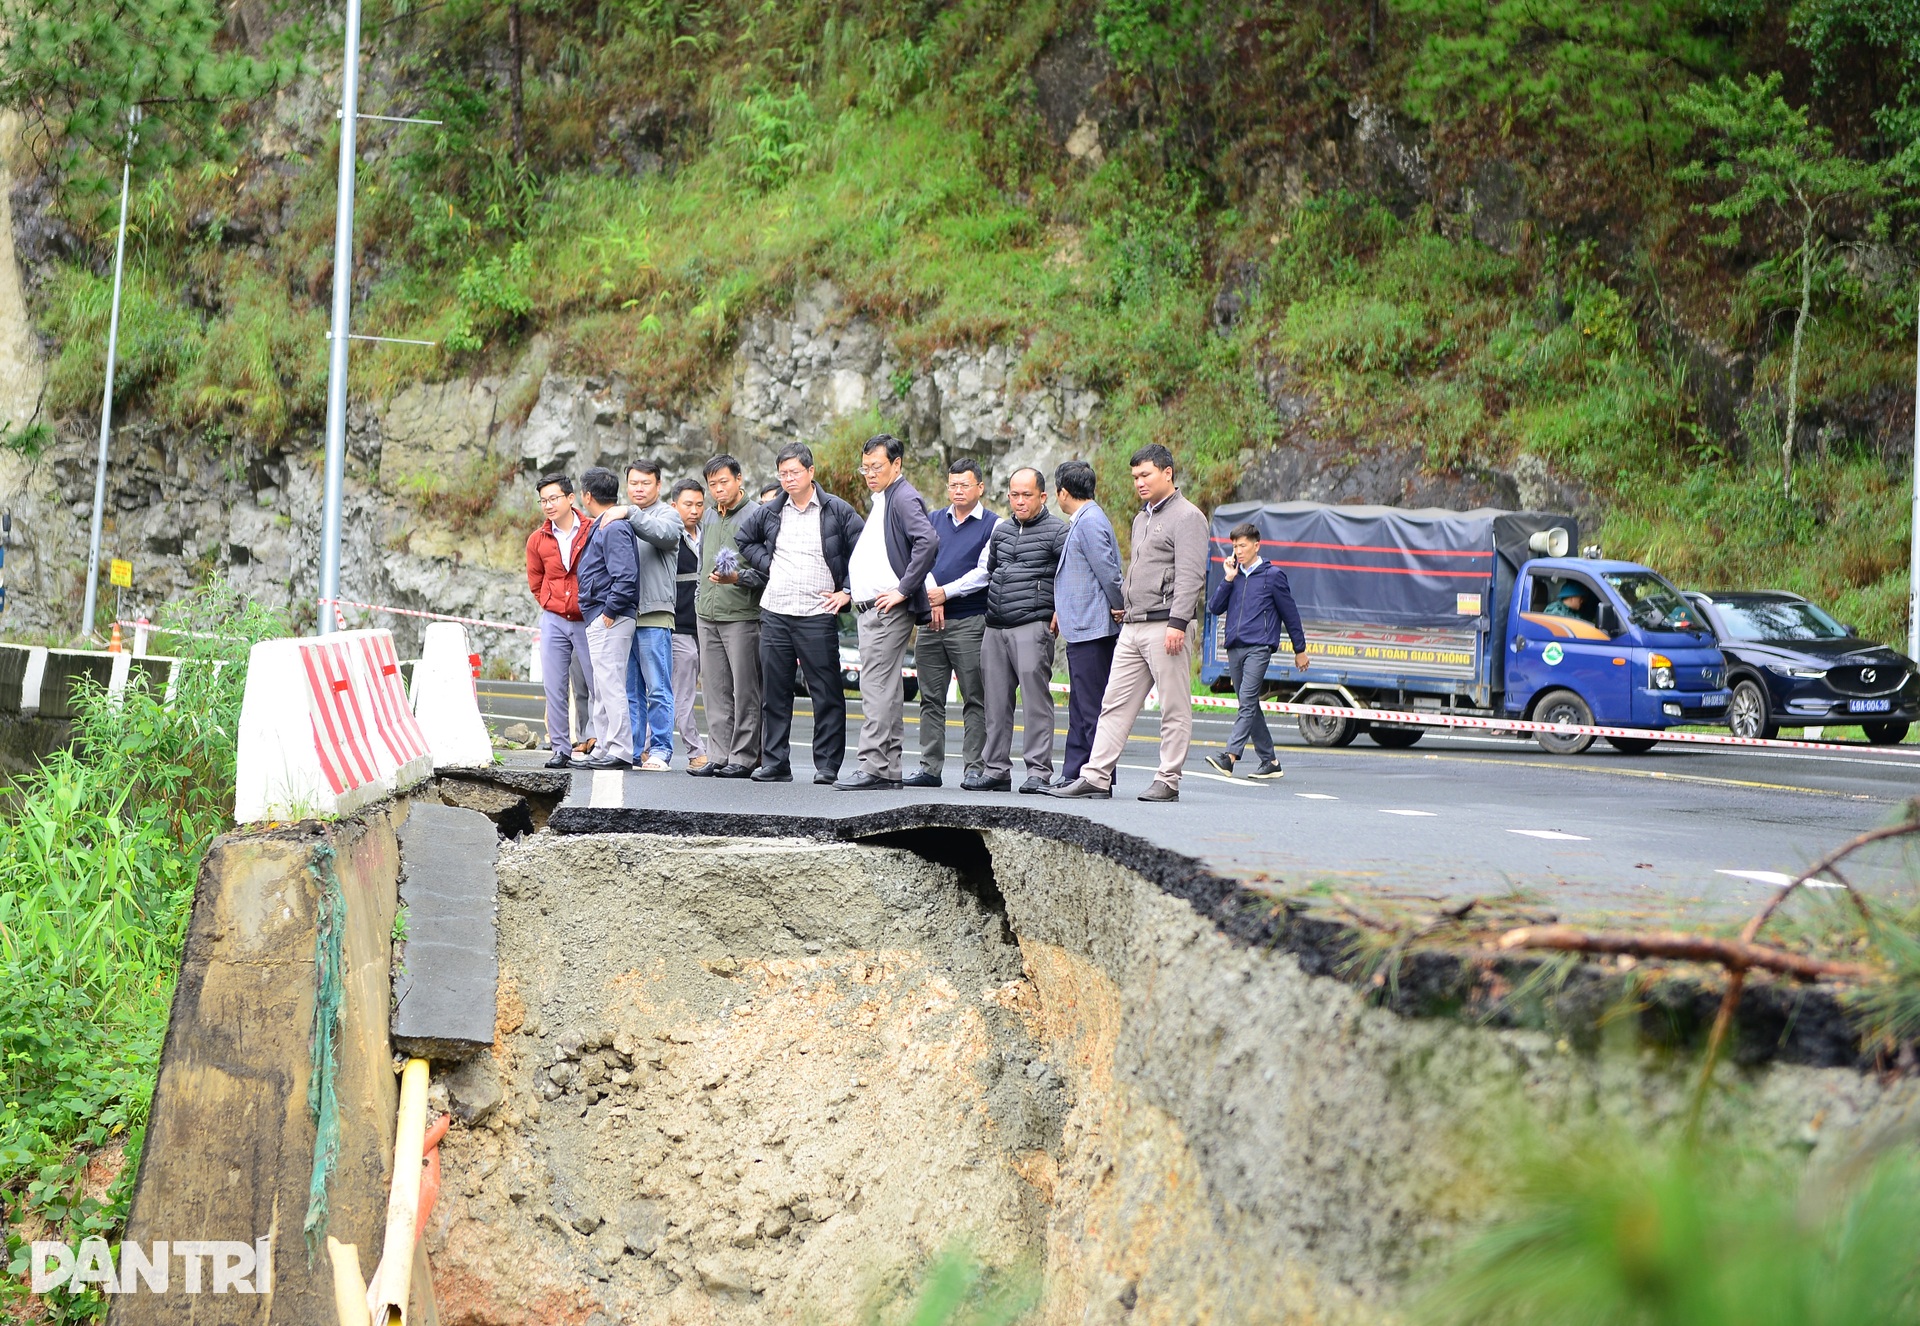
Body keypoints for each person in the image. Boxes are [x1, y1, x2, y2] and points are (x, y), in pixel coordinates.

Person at [1050, 444, 1208, 803]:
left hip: (1167, 624)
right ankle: (1095, 776)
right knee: (1113, 704)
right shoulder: (1142, 518)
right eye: (1135, 476)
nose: (1139, 482)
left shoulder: (1188, 517)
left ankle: (1168, 779)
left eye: (1146, 475)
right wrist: (1125, 604)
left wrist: (1179, 622)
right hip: (1133, 624)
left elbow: (1190, 576)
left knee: (1174, 706)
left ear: (1167, 473)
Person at [735, 443, 865, 783]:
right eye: (783, 474)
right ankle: (776, 762)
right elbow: (744, 539)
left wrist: (847, 592)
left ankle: (826, 766)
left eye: (795, 472)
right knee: (775, 693)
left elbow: (863, 551)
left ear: (810, 472)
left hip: (817, 612)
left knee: (826, 692)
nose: (789, 479)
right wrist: (769, 564)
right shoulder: (773, 510)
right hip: (775, 610)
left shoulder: (836, 510)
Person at [841, 434, 939, 790]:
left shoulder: (903, 497)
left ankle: (873, 765)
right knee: (885, 688)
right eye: (865, 467)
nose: (869, 473)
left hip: (886, 610)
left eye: (876, 467)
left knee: (876, 687)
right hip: (875, 610)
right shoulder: (886, 497)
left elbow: (928, 541)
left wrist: (902, 588)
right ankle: (888, 767)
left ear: (896, 465)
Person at [975, 468, 1068, 793]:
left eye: (1026, 494)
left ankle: (1038, 772)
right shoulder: (1000, 531)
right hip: (995, 626)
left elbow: (1070, 576)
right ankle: (996, 769)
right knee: (996, 702)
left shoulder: (1059, 532)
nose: (1019, 501)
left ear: (1043, 496)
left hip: (1033, 624)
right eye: (1014, 494)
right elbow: (992, 571)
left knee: (1035, 702)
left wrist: (1060, 610)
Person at [908, 458, 999, 789]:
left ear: (980, 487)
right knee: (930, 697)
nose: (957, 491)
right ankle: (929, 767)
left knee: (974, 697)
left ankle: (974, 767)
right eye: (953, 485)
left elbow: (984, 571)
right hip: (931, 623)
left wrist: (946, 593)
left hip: (970, 621)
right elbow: (921, 557)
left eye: (964, 485)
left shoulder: (994, 525)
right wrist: (932, 592)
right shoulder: (934, 519)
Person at [1204, 522, 1308, 780]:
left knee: (1248, 700)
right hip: (1235, 647)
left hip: (1259, 647)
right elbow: (1214, 608)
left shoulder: (1272, 576)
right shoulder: (1234, 575)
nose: (1238, 551)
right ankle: (1270, 761)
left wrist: (1300, 649)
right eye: (1235, 546)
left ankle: (1229, 757)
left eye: (1243, 545)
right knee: (1248, 704)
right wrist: (1227, 578)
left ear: (1256, 545)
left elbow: (1290, 613)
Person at [1050, 459, 1123, 785]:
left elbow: (1109, 573)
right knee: (1080, 706)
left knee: (1092, 706)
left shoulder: (1090, 521)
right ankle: (1074, 773)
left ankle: (1098, 777)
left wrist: (1120, 607)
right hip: (1082, 627)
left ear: (1063, 492)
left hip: (1093, 628)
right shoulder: (1085, 519)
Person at [691, 455, 762, 779]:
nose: (719, 489)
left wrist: (739, 579)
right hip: (708, 615)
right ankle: (718, 755)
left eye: (724, 482)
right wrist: (698, 600)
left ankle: (745, 757)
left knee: (746, 690)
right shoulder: (707, 516)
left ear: (739, 479)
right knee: (715, 690)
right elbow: (700, 566)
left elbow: (767, 571)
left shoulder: (757, 516)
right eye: (713, 484)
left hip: (743, 615)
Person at [611, 461, 685, 771]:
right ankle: (630, 749)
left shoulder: (668, 515)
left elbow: (663, 535)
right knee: (630, 690)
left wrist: (630, 513)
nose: (638, 488)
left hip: (654, 614)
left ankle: (660, 751)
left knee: (657, 687)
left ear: (658, 485)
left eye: (645, 483)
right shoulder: (623, 517)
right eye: (634, 483)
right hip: (624, 615)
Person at [525, 473, 596, 768]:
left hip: (587, 617)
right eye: (544, 500)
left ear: (570, 498)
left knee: (597, 682)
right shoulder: (538, 539)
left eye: (554, 498)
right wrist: (549, 602)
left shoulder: (593, 529)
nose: (549, 505)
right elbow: (535, 579)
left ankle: (599, 741)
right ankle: (560, 747)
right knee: (554, 685)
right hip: (554, 618)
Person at [574, 466, 641, 770]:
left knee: (611, 684)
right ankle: (604, 746)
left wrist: (609, 612)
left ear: (588, 496)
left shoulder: (613, 527)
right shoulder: (604, 524)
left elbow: (625, 576)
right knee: (601, 685)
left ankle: (620, 750)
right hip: (600, 615)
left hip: (609, 615)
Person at [668, 478, 710, 772]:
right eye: (687, 504)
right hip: (678, 626)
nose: (694, 511)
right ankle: (696, 751)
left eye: (699, 504)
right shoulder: (667, 538)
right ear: (674, 506)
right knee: (682, 691)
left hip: (708, 624)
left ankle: (645, 747)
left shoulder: (708, 534)